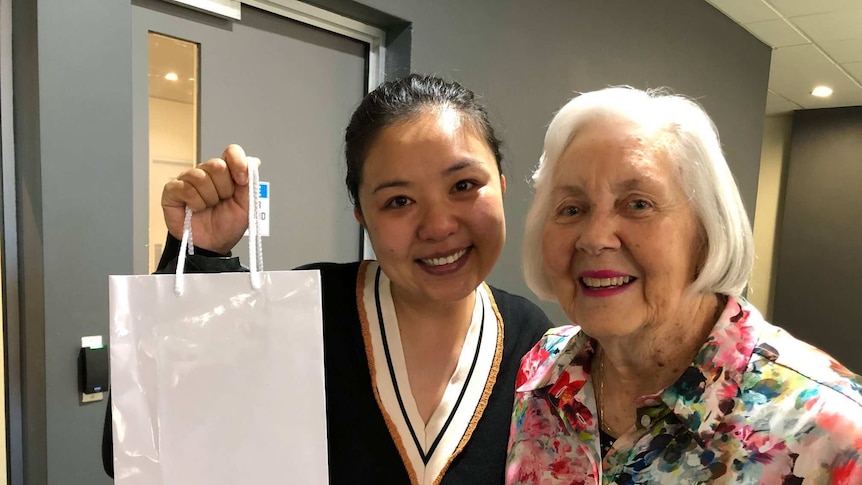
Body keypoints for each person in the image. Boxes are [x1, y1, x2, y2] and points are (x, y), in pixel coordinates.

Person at [103, 74, 553, 484]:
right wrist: (201, 255)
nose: (438, 226)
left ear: (502, 182)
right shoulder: (303, 312)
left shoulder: (537, 345)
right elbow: (147, 447)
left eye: (463, 185)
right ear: (361, 213)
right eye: (399, 200)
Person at [505, 87, 862, 483]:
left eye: (638, 204)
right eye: (571, 209)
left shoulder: (835, 435)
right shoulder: (542, 375)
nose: (595, 237)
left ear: (706, 232)